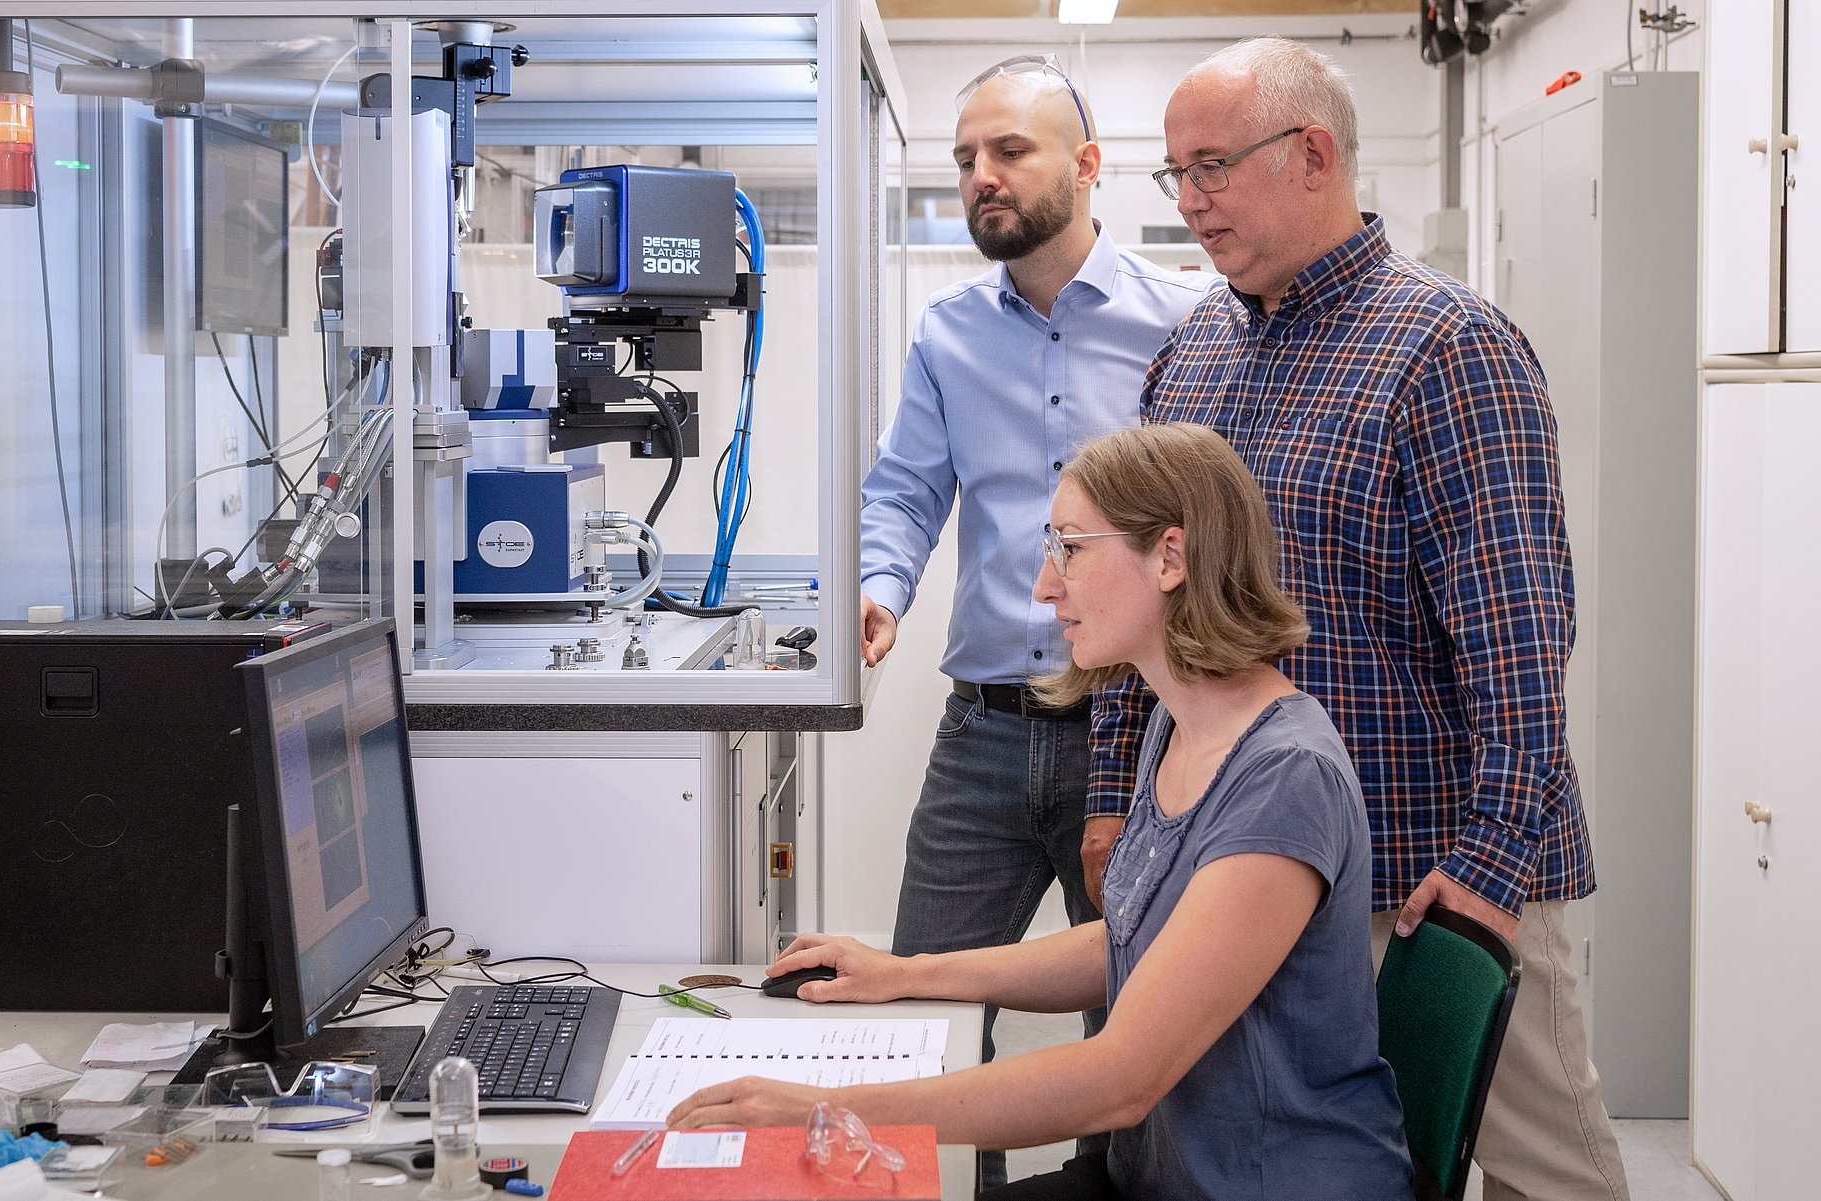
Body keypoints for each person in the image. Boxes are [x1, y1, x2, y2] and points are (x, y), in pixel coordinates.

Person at [1087, 37, 1629, 1201]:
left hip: (1431, 881)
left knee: (1546, 1172)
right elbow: (1144, 609)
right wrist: (1107, 800)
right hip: (1247, 877)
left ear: (1312, 155)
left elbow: (1523, 646)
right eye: (1174, 173)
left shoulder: (1448, 349)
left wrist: (1486, 871)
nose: (1189, 201)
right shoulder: (1189, 359)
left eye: (1213, 167)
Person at [671, 423, 1412, 1201]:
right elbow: (1126, 944)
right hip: (1154, 1175)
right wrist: (906, 972)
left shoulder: (1284, 774)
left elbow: (1118, 1077)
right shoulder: (1180, 723)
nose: (1043, 585)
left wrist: (821, 1111)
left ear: (1170, 556)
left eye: (1071, 548)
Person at [858, 56, 1214, 1186]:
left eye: (1008, 151)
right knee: (915, 993)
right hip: (987, 735)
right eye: (966, 159)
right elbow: (907, 489)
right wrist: (882, 585)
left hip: (1137, 732)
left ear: (1088, 165)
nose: (982, 177)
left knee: (1133, 1013)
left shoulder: (1187, 322)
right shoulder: (948, 333)